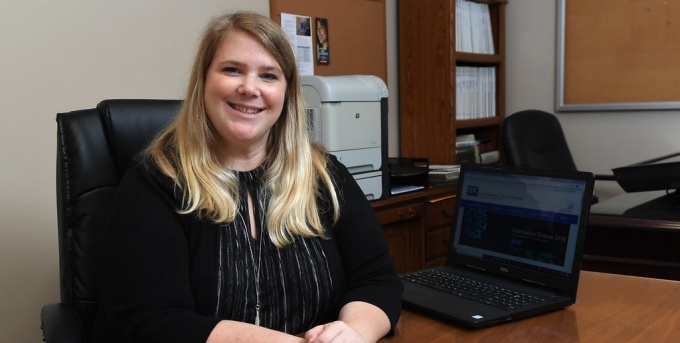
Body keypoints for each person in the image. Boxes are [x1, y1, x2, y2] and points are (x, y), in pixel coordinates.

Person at [92, 10, 402, 343]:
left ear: (287, 93)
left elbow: (378, 280)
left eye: (269, 76)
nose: (249, 87)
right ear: (203, 81)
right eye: (232, 70)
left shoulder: (323, 176)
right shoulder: (156, 182)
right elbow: (153, 321)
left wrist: (355, 333)